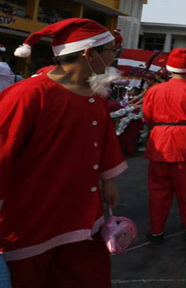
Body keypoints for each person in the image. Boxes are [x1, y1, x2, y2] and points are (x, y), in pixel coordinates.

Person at [0, 18, 127, 287]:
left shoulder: (96, 95)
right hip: (31, 217)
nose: (113, 59)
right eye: (111, 51)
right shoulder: (28, 94)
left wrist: (110, 179)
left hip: (82, 214)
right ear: (87, 52)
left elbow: (104, 141)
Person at [143, 48, 186, 241]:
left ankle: (157, 230)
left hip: (159, 142)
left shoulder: (154, 91)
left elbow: (148, 117)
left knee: (158, 191)